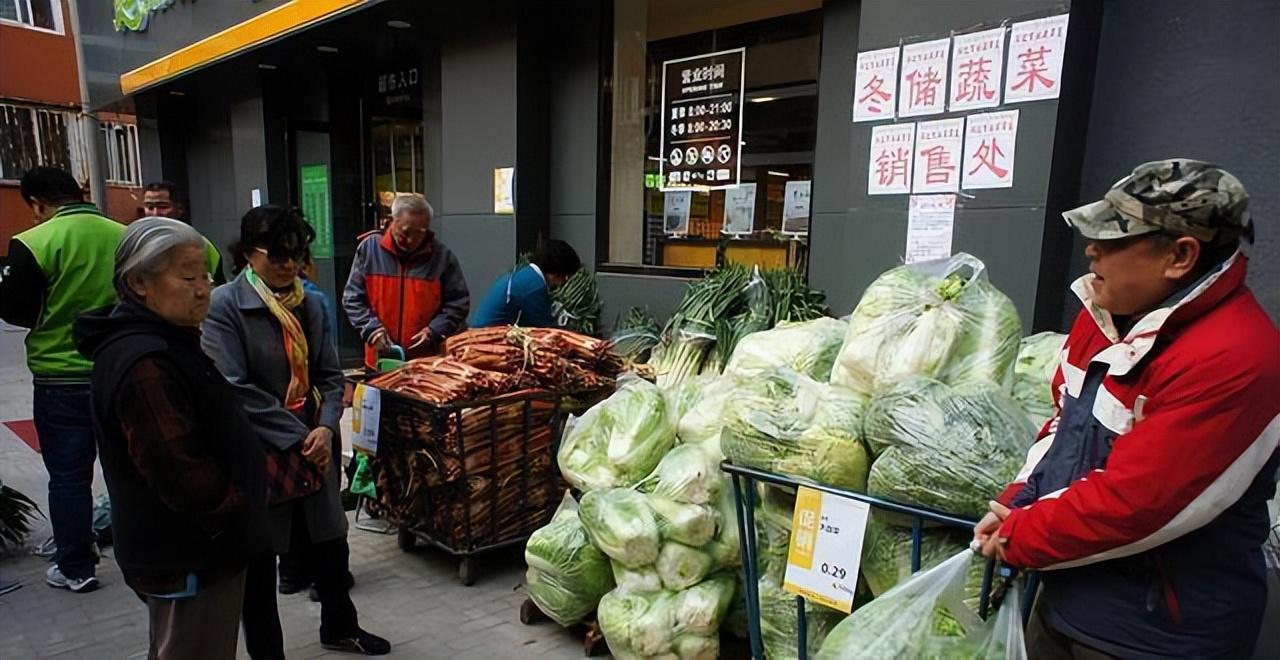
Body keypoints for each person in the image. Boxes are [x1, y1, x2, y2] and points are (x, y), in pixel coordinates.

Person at [974, 160, 1280, 659]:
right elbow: (1064, 422)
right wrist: (1019, 501)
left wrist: (1022, 535)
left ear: (1181, 256)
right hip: (1069, 600)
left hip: (1160, 636)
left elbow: (1141, 505)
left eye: (1114, 240)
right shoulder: (1105, 315)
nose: (1092, 250)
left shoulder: (1236, 358)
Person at [74, 218, 269, 659]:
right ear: (139, 283)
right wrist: (235, 509)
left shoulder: (169, 340)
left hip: (196, 550)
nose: (204, 289)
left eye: (206, 276)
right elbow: (177, 467)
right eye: (187, 277)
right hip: (189, 556)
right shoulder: (146, 363)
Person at [202, 206, 390, 657]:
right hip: (261, 446)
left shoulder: (313, 302)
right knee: (262, 561)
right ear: (249, 253)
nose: (289, 264)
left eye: (297, 254)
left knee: (330, 542)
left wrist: (325, 430)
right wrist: (299, 435)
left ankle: (340, 627)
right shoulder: (224, 305)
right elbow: (233, 386)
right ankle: (268, 651)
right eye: (277, 255)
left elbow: (330, 374)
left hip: (317, 440)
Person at [0, 166, 125, 593]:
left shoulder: (34, 242)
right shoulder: (123, 234)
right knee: (124, 470)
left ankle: (76, 566)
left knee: (69, 478)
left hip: (59, 379)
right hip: (116, 372)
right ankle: (136, 554)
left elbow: (17, 311)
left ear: (37, 203)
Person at [342, 193, 468, 369]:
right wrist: (371, 329)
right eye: (405, 232)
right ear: (392, 221)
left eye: (420, 234)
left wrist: (434, 330)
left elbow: (458, 303)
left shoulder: (442, 258)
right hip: (380, 361)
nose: (411, 240)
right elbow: (352, 298)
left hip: (426, 365)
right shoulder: (369, 249)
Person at [469, 240, 582, 328]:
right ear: (560, 272)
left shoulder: (526, 275)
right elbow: (543, 328)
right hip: (488, 336)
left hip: (482, 328)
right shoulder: (534, 287)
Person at [142, 180, 227, 285]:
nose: (155, 213)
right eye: (149, 207)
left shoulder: (201, 245)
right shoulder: (137, 245)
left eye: (163, 207)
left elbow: (218, 290)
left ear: (179, 209)